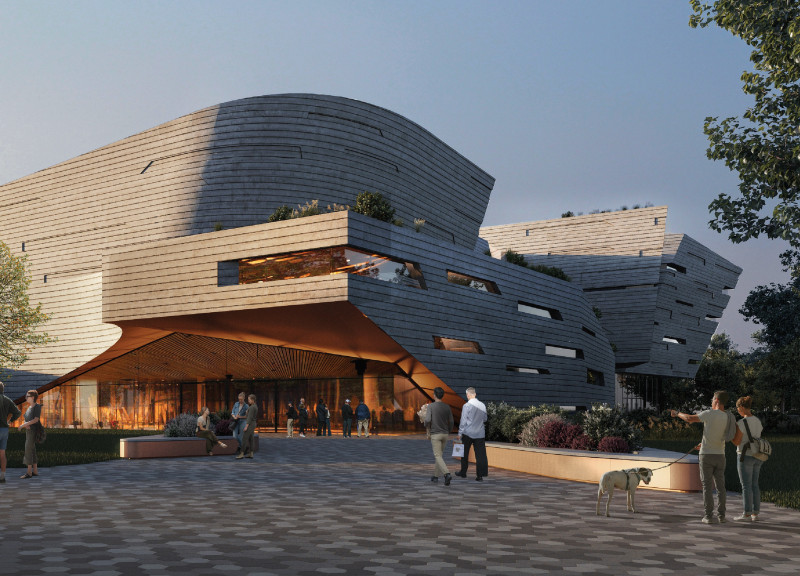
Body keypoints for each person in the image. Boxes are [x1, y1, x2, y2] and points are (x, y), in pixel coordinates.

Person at [671, 390, 733, 523]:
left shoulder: (709, 414)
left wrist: (677, 413)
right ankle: (721, 516)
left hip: (706, 456)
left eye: (712, 398)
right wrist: (704, 443)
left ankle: (708, 516)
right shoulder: (728, 416)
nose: (711, 401)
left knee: (707, 487)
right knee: (721, 487)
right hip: (720, 455)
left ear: (716, 400)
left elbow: (689, 419)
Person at [731, 396, 764, 522]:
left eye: (738, 408)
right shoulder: (757, 421)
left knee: (746, 486)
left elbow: (737, 441)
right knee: (755, 484)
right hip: (758, 455)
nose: (738, 410)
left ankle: (746, 513)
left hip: (745, 456)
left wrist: (730, 436)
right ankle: (755, 513)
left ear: (742, 407)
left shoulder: (741, 423)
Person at [423, 387, 454, 486]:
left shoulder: (431, 406)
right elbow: (452, 421)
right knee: (439, 455)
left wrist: (425, 424)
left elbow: (427, 420)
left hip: (435, 434)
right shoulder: (447, 407)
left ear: (434, 395)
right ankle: (436, 476)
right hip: (445, 434)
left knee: (437, 455)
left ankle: (447, 474)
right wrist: (448, 431)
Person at [456, 387, 488, 481]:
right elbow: (485, 419)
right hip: (480, 433)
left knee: (464, 453)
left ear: (468, 395)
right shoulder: (482, 405)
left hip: (468, 433)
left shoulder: (466, 406)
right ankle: (480, 475)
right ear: (475, 394)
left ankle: (463, 472)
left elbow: (463, 421)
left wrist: (459, 433)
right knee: (480, 455)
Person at [0, 381, 22, 483]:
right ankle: (2, 476)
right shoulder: (7, 400)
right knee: (2, 453)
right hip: (4, 429)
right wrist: (9, 421)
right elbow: (17, 413)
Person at [17, 390, 43, 479]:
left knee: (28, 449)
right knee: (32, 450)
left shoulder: (37, 407)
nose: (26, 398)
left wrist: (24, 425)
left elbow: (36, 419)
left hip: (33, 431)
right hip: (28, 431)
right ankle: (35, 471)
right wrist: (26, 424)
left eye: (27, 396)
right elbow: (27, 419)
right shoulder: (29, 408)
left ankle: (29, 473)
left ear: (32, 397)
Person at [237, 394, 258, 459]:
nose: (248, 401)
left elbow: (249, 418)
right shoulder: (255, 406)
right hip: (253, 423)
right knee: (251, 438)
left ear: (252, 400)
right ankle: (251, 453)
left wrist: (246, 426)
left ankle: (242, 453)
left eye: (249, 400)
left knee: (244, 439)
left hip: (250, 424)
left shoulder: (251, 407)